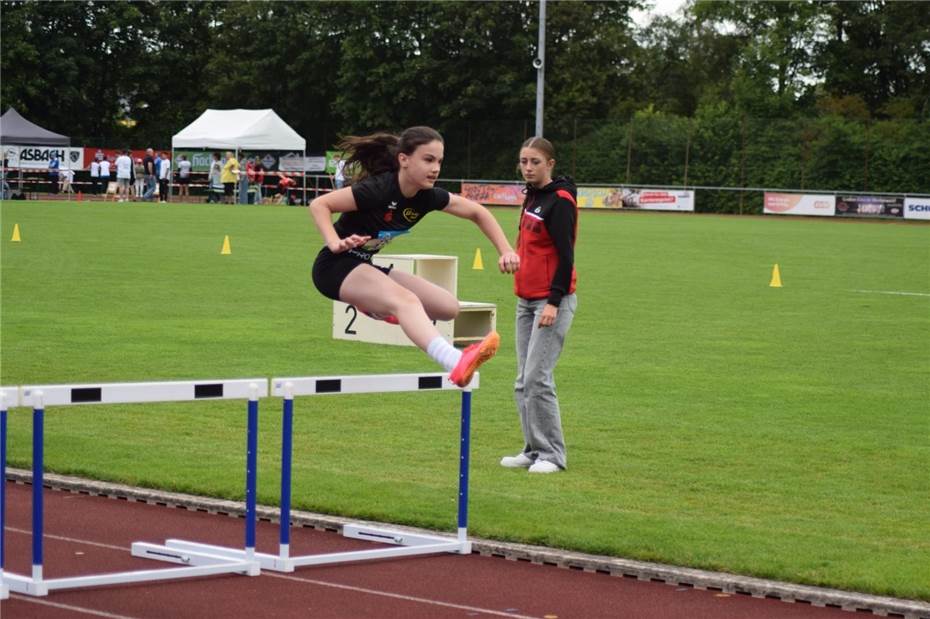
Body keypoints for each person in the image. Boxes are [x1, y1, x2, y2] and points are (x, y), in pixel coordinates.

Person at [308, 126, 519, 388]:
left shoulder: (428, 197)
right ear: (404, 160)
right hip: (335, 267)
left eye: (440, 161)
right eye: (428, 159)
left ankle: (372, 305)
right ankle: (455, 361)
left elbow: (478, 213)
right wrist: (335, 242)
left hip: (363, 264)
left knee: (448, 308)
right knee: (405, 301)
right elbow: (320, 204)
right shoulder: (378, 189)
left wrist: (506, 250)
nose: (436, 168)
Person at [500, 136, 578, 474]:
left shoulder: (559, 202)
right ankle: (533, 450)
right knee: (522, 380)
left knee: (537, 378)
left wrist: (554, 301)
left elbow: (566, 255)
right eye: (523, 161)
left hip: (550, 301)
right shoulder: (531, 196)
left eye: (535, 162)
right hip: (525, 300)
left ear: (550, 164)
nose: (528, 167)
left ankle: (553, 456)